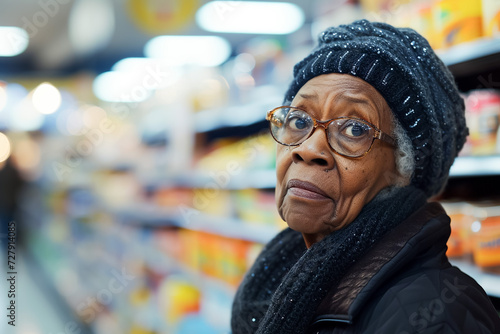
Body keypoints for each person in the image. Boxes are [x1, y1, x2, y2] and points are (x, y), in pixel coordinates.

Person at [230, 19, 500, 334]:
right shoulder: (286, 269)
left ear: (402, 168)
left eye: (355, 129)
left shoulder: (433, 316)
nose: (308, 149)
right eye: (299, 121)